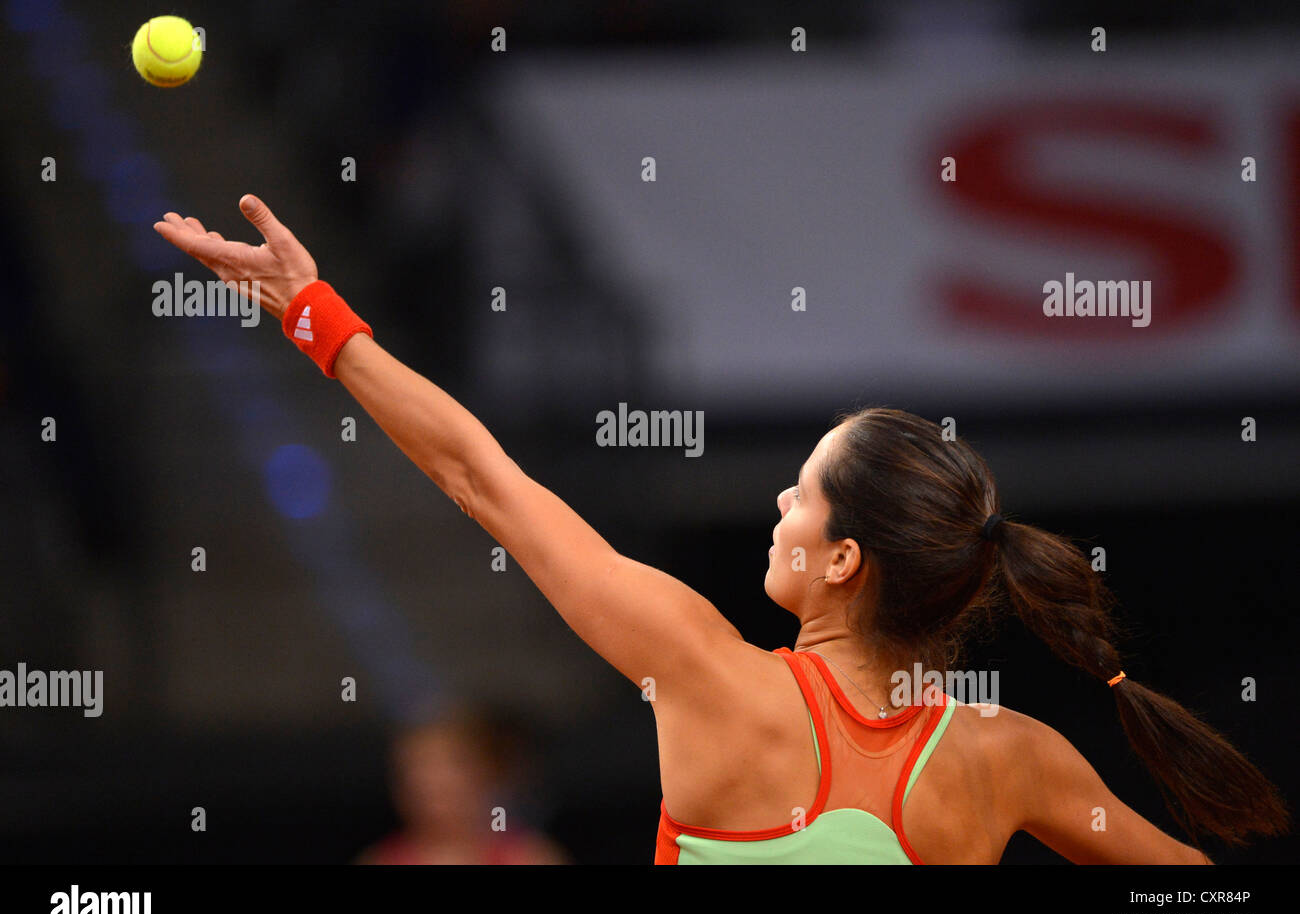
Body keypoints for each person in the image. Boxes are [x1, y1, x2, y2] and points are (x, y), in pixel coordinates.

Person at [155, 196, 1289, 864]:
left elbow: (478, 475)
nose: (777, 507)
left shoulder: (699, 669)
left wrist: (312, 310)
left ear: (843, 560)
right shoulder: (1009, 758)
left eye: (798, 493)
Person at [356, 706, 568, 865]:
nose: (431, 783)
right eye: (415, 772)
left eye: (449, 768)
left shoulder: (528, 856)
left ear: (481, 773)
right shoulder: (379, 860)